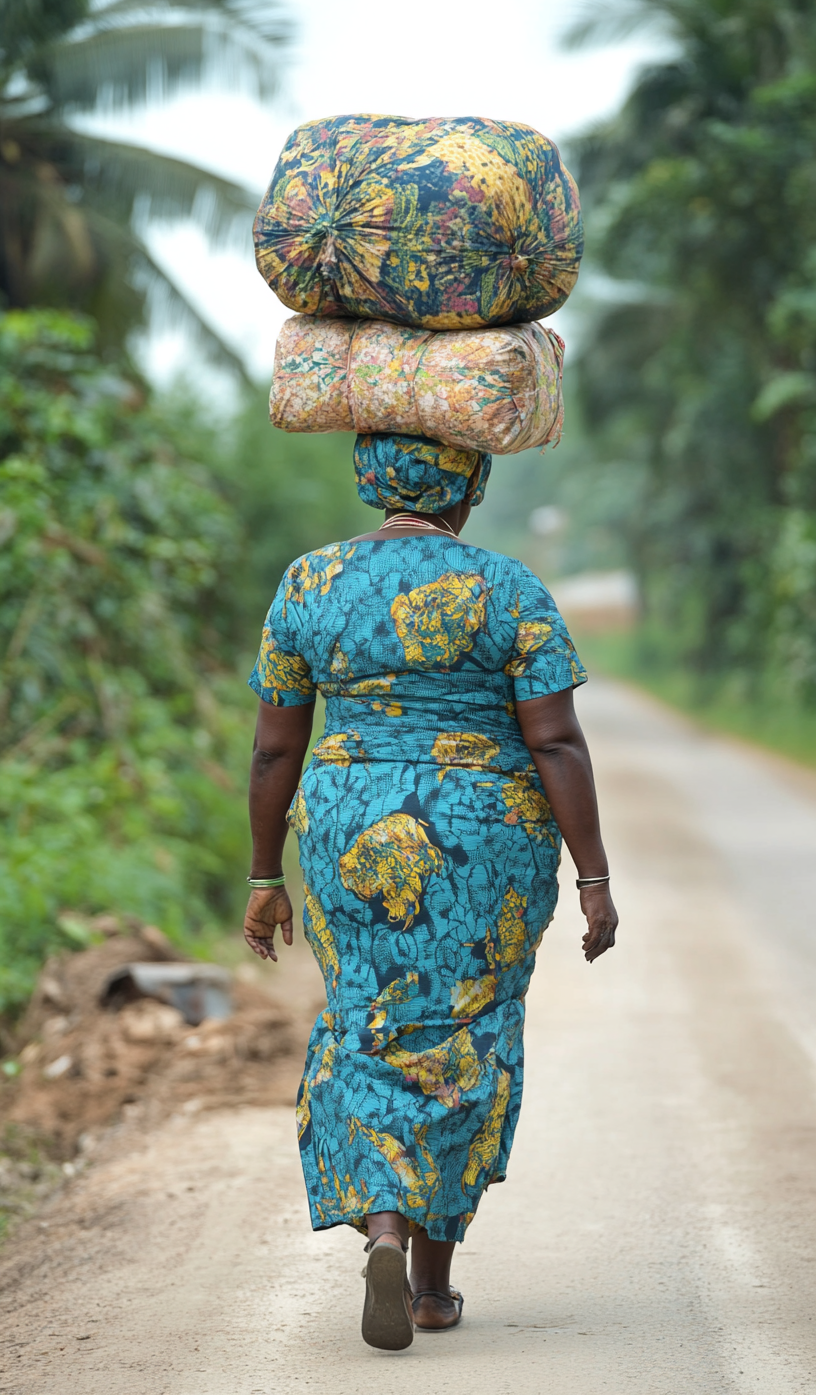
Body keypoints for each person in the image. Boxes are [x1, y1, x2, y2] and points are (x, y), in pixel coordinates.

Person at [244, 433, 618, 1352]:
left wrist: (263, 875)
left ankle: (378, 1223)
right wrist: (594, 875)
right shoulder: (509, 587)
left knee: (366, 1015)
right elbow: (557, 742)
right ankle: (431, 1286)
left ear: (372, 479)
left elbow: (274, 747)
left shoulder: (309, 583)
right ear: (472, 482)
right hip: (484, 833)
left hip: (342, 821)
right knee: (468, 1024)